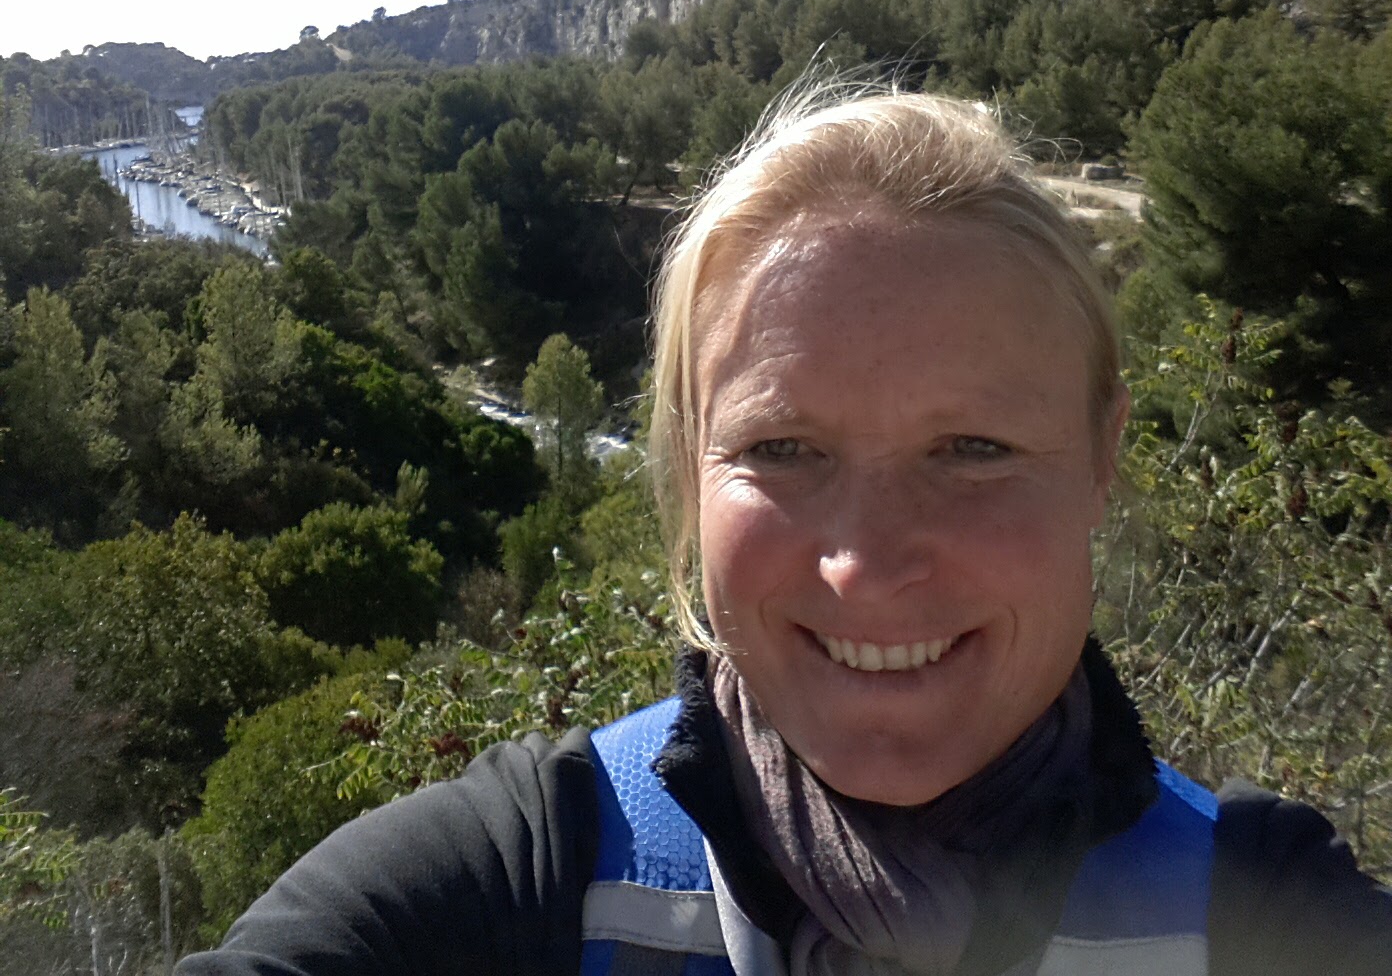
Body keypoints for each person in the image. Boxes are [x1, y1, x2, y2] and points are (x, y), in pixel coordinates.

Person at [178, 84, 1392, 975]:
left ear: (1103, 459)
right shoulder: (514, 885)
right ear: (687, 471)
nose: (863, 564)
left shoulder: (1272, 920)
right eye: (780, 450)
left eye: (972, 450)